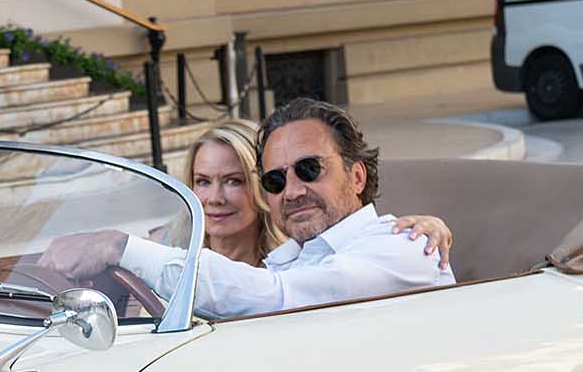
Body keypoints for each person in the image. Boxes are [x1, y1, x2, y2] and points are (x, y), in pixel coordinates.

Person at [43, 99, 455, 318]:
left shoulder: (406, 245)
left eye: (309, 169)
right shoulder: (289, 260)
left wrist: (121, 247)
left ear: (357, 176)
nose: (292, 191)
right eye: (275, 180)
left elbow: (279, 300)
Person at [180, 117, 453, 272]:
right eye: (202, 181)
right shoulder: (171, 250)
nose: (215, 198)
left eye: (233, 181)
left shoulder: (304, 258)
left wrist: (426, 228)